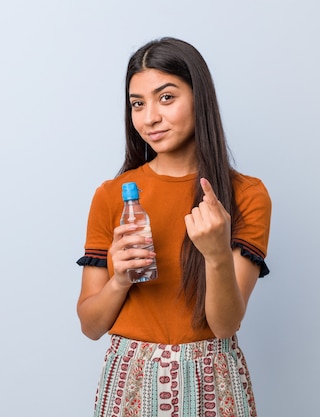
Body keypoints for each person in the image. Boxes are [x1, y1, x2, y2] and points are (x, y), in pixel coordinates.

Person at [76, 37, 271, 417]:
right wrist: (120, 280)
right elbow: (91, 326)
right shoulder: (112, 196)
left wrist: (215, 255)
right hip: (129, 380)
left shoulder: (246, 195)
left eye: (166, 97)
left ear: (200, 98)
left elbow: (225, 324)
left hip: (212, 382)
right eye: (137, 104)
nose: (149, 117)